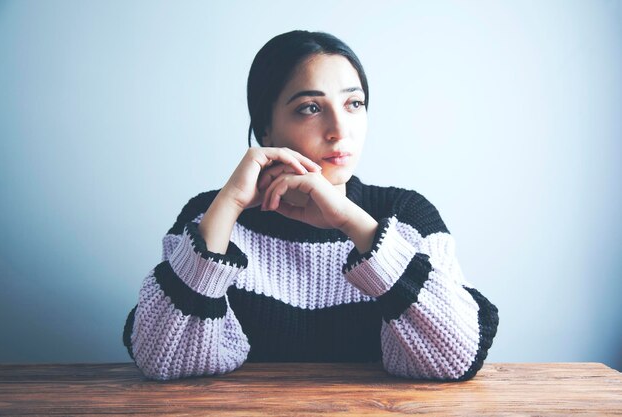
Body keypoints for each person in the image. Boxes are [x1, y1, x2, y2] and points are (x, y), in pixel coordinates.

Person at [122, 30, 499, 381]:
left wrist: (355, 224)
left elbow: (455, 357)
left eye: (354, 103)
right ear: (265, 128)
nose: (340, 129)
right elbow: (164, 360)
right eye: (310, 108)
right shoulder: (213, 217)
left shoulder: (407, 215)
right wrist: (231, 203)